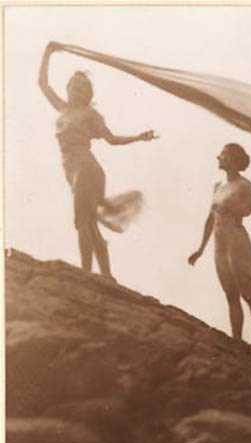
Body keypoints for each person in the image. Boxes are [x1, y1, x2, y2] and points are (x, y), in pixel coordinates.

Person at [39, 41, 157, 279]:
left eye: (82, 88)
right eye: (74, 85)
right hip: (72, 170)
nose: (76, 90)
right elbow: (42, 83)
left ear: (88, 95)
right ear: (68, 88)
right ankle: (106, 276)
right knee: (89, 223)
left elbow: (111, 139)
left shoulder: (90, 114)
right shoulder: (62, 108)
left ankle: (86, 273)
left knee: (82, 220)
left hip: (86, 167)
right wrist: (47, 53)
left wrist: (138, 137)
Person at [188, 143, 251, 350]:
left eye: (223, 154)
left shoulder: (245, 185)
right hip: (219, 243)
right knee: (230, 293)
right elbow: (210, 218)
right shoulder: (217, 185)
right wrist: (200, 249)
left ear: (233, 160)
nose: (218, 157)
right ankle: (237, 341)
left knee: (248, 293)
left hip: (236, 240)